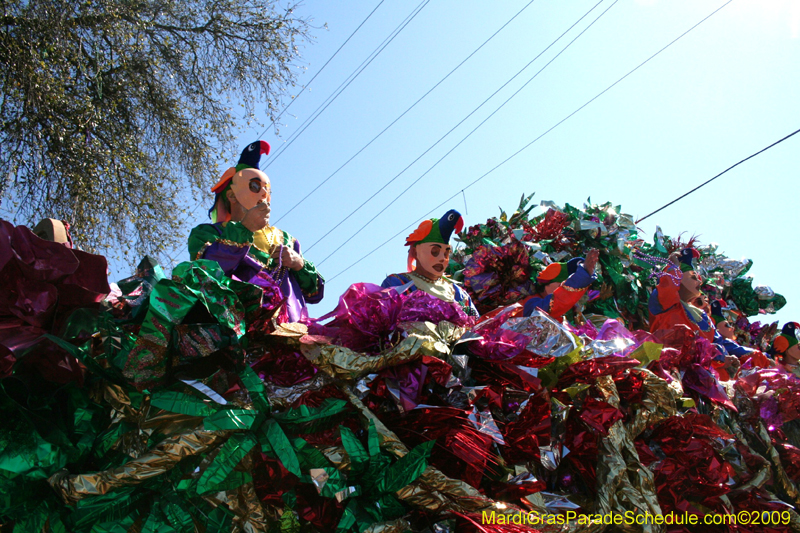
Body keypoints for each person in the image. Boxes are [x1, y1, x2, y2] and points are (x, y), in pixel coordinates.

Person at [188, 140, 324, 322]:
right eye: (254, 187)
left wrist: (298, 263)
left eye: (267, 190)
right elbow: (205, 273)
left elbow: (315, 294)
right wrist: (244, 229)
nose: (263, 194)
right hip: (240, 333)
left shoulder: (286, 239)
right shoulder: (207, 234)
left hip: (293, 333)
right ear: (232, 195)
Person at [381, 209, 478, 317]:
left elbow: (476, 325)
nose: (442, 258)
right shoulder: (398, 283)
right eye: (434, 252)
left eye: (446, 253)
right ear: (415, 252)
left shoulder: (458, 293)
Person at [648, 247, 715, 341]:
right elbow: (668, 286)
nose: (700, 282)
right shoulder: (668, 303)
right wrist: (674, 266)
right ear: (678, 279)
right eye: (694, 278)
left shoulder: (699, 314)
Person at [521, 249, 599, 320]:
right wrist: (581, 277)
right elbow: (556, 303)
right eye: (561, 285)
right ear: (547, 282)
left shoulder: (569, 313)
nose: (562, 289)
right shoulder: (530, 303)